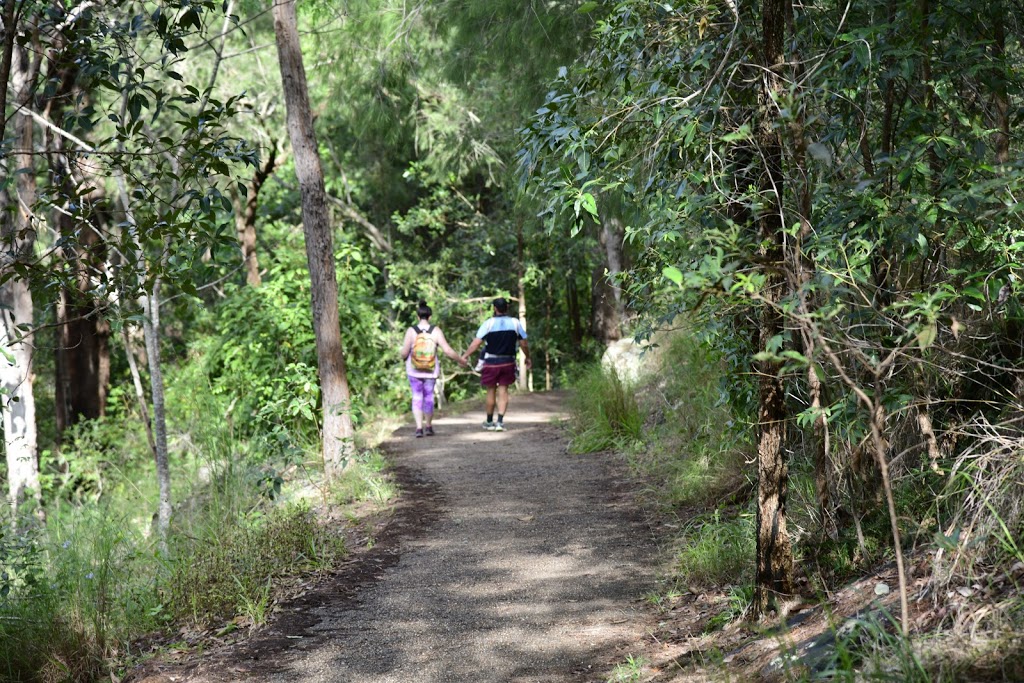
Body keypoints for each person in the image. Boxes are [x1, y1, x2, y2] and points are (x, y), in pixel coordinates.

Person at [460, 297, 531, 432]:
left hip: (491, 363)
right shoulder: (515, 323)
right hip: (508, 362)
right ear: (507, 308)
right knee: (503, 391)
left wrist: (465, 355)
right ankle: (499, 422)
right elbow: (523, 343)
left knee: (491, 390)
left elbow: (476, 343)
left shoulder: (489, 323)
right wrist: (528, 357)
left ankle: (488, 421)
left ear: (494, 308)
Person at [400, 301, 467, 437]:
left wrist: (403, 357)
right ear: (430, 317)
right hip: (430, 371)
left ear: (418, 316)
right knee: (428, 397)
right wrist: (460, 360)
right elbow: (447, 350)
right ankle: (429, 426)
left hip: (414, 370)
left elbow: (404, 352)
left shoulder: (411, 331)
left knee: (417, 397)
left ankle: (419, 428)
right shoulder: (435, 331)